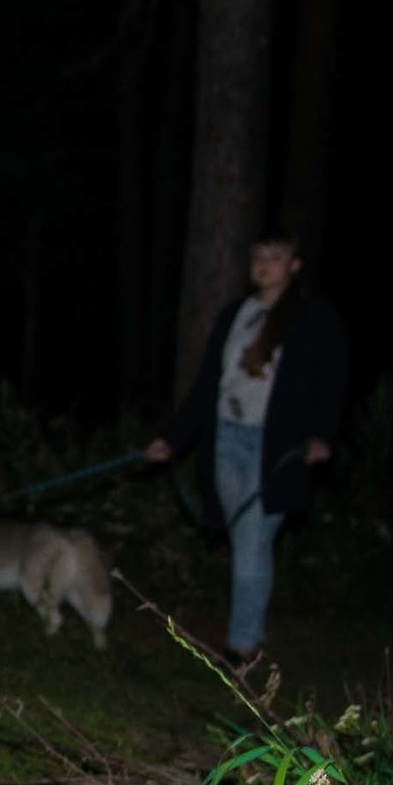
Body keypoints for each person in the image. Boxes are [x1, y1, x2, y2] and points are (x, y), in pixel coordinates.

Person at [145, 234, 348, 662]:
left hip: (275, 447)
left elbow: (331, 379)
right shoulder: (234, 314)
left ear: (294, 265)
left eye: (276, 256)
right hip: (226, 438)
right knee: (245, 541)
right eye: (258, 256)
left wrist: (322, 436)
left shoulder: (312, 316)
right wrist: (172, 439)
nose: (265, 264)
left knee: (253, 539)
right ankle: (251, 634)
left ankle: (241, 646)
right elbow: (207, 384)